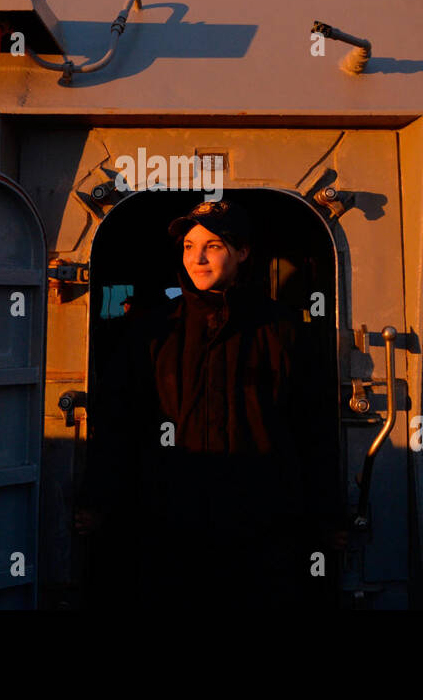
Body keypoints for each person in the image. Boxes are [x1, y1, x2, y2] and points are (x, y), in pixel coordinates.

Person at [77, 197, 342, 608]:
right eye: (188, 246)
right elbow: (118, 424)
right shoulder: (152, 330)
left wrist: (327, 515)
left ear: (242, 252)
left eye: (213, 246)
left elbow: (315, 429)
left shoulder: (284, 331)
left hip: (262, 528)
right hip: (170, 526)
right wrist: (98, 502)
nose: (197, 258)